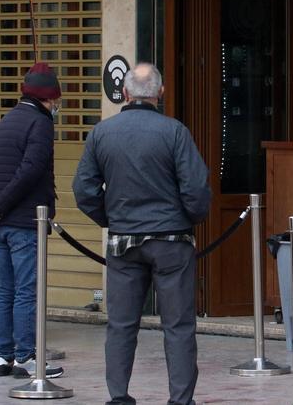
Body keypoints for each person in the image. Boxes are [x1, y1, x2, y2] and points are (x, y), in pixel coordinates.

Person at [72, 63, 211, 405]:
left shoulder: (103, 133)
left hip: (123, 241)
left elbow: (83, 189)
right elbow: (196, 188)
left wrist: (112, 218)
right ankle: (180, 399)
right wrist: (188, 218)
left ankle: (118, 396)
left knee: (121, 325)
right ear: (160, 94)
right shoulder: (175, 132)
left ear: (125, 92)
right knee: (178, 326)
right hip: (172, 241)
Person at [0, 62, 65, 380]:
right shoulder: (40, 124)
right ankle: (26, 357)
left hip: (1, 225)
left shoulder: (6, 122)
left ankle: (3, 357)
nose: (57, 106)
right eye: (56, 99)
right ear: (50, 98)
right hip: (26, 222)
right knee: (26, 291)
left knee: (6, 290)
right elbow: (32, 169)